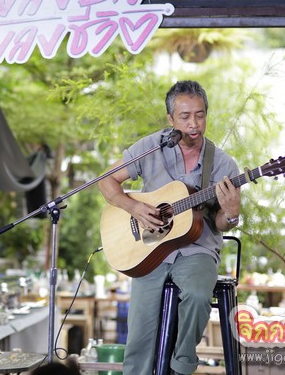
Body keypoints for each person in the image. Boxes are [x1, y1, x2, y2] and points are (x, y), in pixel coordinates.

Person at [98, 80, 241, 375]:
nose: (194, 124)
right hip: (150, 249)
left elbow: (219, 223)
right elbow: (106, 181)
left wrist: (231, 213)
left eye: (200, 115)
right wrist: (133, 207)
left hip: (197, 249)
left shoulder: (223, 164)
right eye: (185, 116)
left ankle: (181, 365)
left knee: (198, 296)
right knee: (140, 335)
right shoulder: (151, 147)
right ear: (170, 119)